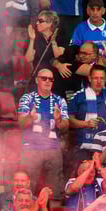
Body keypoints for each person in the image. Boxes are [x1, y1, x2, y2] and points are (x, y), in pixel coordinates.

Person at [17, 68, 69, 197]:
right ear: (37, 80)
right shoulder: (27, 98)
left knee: (55, 191)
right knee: (27, 191)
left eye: (50, 79)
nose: (47, 81)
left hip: (53, 148)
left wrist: (58, 120)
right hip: (31, 148)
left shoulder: (60, 100)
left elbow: (65, 127)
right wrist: (31, 117)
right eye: (44, 78)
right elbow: (21, 123)